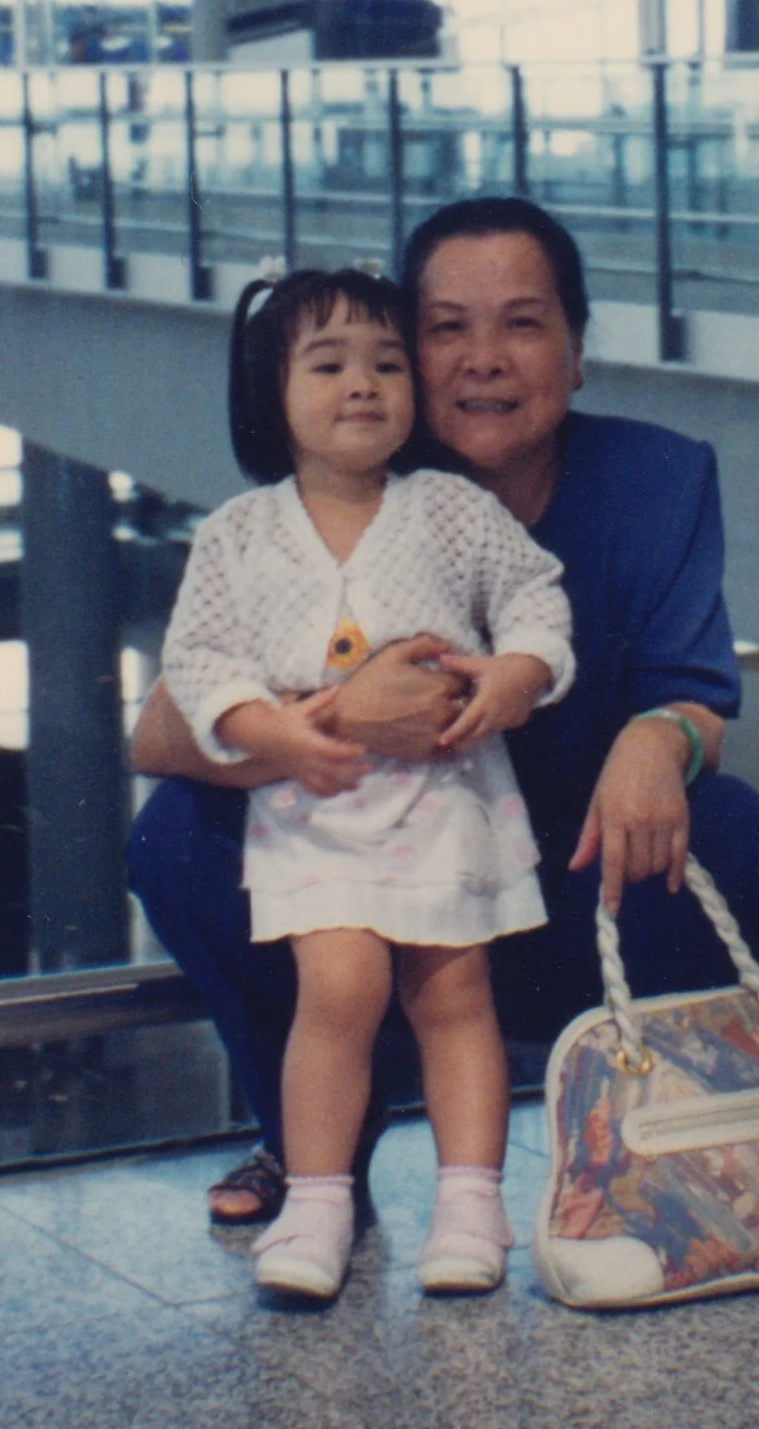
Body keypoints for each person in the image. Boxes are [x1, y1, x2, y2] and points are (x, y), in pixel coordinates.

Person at [126, 196, 759, 1230]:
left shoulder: (658, 479)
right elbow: (160, 732)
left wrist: (650, 740)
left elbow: (696, 696)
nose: (483, 358)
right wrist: (345, 715)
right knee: (176, 835)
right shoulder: (346, 480)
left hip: (563, 881)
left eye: (522, 323)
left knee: (734, 831)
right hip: (360, 891)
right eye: (446, 328)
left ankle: (646, 1135)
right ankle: (313, 1143)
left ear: (575, 351)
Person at [157, 264, 575, 1301]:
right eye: (328, 362)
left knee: (452, 995)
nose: (362, 384)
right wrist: (275, 734)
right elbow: (198, 663)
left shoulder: (447, 508)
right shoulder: (238, 534)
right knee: (337, 990)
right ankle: (318, 1201)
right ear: (271, 391)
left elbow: (534, 594)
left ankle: (471, 1201)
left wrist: (520, 670)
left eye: (386, 362)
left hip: (448, 803)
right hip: (318, 803)